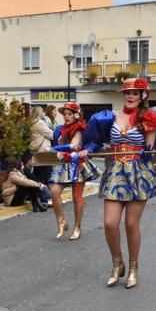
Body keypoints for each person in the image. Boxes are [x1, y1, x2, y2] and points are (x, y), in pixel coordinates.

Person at [80, 78, 156, 289]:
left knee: (130, 224)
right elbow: (95, 142)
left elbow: (149, 146)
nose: (130, 96)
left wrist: (147, 149)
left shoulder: (148, 119)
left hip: (138, 174)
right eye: (127, 93)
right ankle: (117, 263)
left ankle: (134, 268)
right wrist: (87, 150)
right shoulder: (108, 118)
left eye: (135, 93)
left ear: (142, 97)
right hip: (115, 173)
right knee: (110, 223)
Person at [49, 102, 100, 240]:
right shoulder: (60, 129)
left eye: (69, 114)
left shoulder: (79, 128)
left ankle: (77, 227)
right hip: (62, 165)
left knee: (77, 198)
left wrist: (55, 149)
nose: (66, 116)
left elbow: (74, 145)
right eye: (64, 114)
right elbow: (58, 144)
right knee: (54, 192)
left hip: (76, 164)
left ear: (76, 115)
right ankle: (61, 222)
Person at [29, 106, 54, 186]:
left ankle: (38, 191)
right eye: (42, 112)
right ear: (39, 113)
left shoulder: (31, 123)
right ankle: (45, 194)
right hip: (43, 151)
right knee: (45, 175)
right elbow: (51, 135)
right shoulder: (40, 123)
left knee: (38, 172)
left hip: (36, 150)